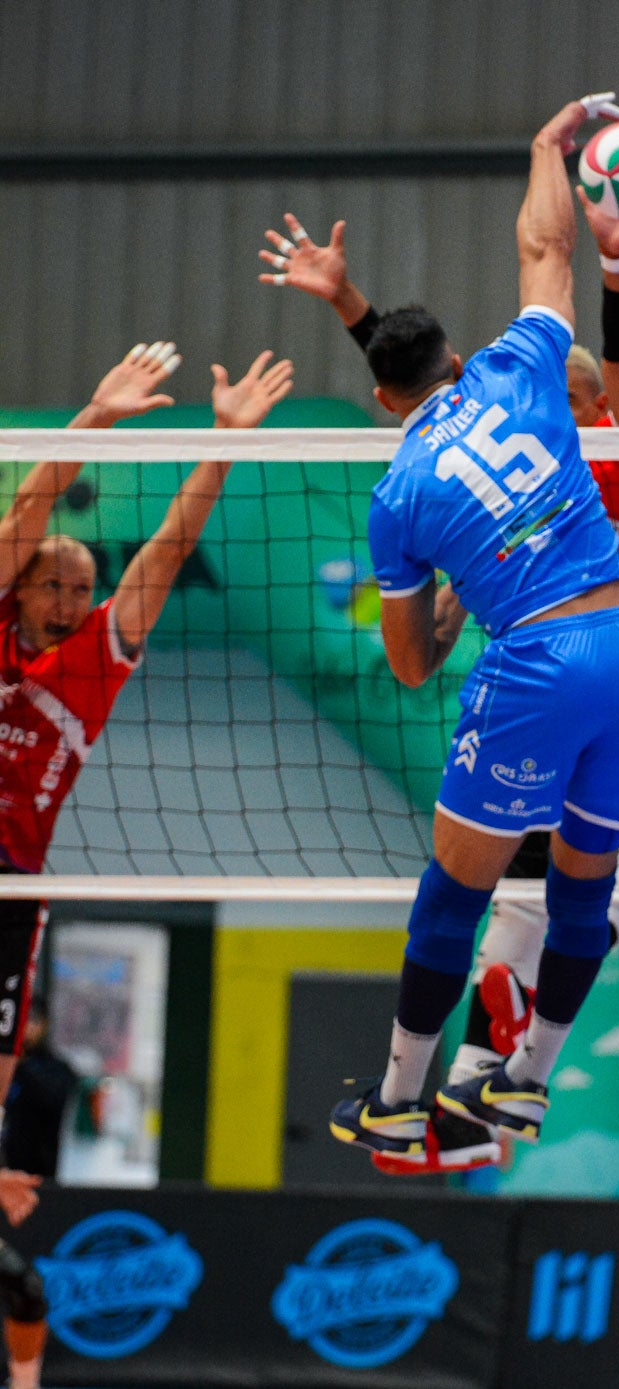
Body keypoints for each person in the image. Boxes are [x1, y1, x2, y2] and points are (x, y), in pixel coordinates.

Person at [260, 162, 619, 1178]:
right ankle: (516, 1075)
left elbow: (428, 400)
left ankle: (407, 1096)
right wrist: (347, 299)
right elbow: (489, 322)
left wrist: (612, 259)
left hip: (577, 669)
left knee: (470, 892)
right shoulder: (533, 402)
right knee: (557, 888)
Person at [0, 339, 293, 1386]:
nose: (73, 595)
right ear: (24, 585)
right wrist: (95, 415)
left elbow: (166, 549)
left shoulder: (92, 665)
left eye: (84, 584)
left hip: (12, 892)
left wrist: (219, 448)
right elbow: (29, 507)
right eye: (56, 581)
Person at [1, 994, 76, 1179]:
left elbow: (52, 1098)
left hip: (36, 1176)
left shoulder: (55, 1068)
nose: (26, 1027)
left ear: (44, 1025)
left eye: (32, 1020)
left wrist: (20, 1061)